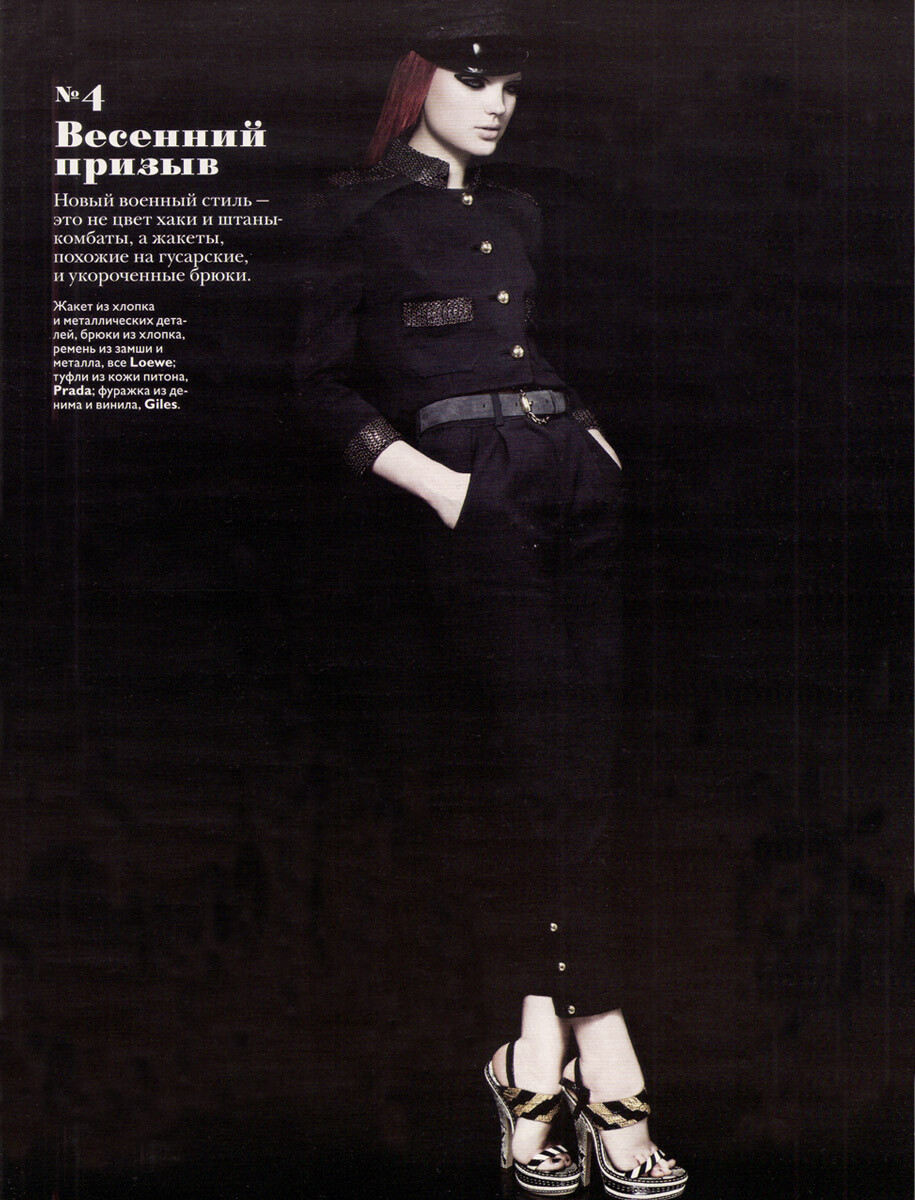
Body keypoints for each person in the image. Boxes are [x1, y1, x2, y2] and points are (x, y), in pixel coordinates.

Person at [295, 9, 687, 1197]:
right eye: (476, 78)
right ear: (418, 81)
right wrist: (442, 488)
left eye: (511, 82)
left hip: (574, 483)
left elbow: (519, 352)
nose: (499, 101)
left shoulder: (518, 214)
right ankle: (606, 1054)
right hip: (479, 497)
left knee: (583, 775)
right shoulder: (356, 213)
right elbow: (316, 385)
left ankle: (527, 1061)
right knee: (546, 771)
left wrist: (593, 437)